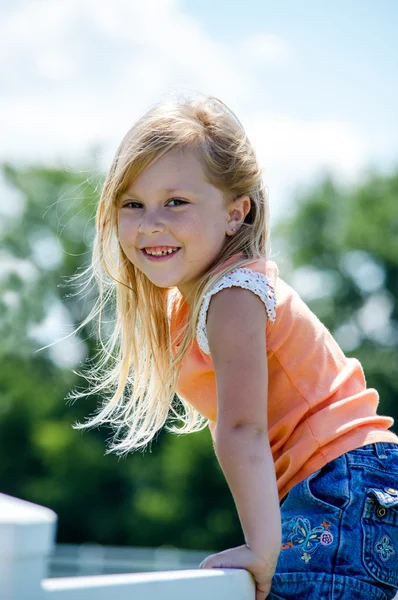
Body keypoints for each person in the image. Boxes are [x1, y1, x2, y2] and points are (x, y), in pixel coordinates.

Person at [70, 95, 398, 600]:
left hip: (343, 482)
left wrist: (260, 548)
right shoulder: (200, 301)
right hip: (350, 484)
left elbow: (242, 430)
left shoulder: (233, 294)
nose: (151, 221)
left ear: (234, 213)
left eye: (175, 201)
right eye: (132, 204)